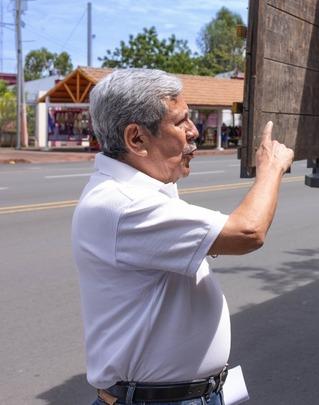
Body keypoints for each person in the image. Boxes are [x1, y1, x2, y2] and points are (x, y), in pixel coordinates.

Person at [72, 69, 294, 405]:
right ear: (136, 139)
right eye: (181, 122)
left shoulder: (145, 186)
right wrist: (271, 167)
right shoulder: (124, 203)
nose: (194, 131)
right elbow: (248, 232)